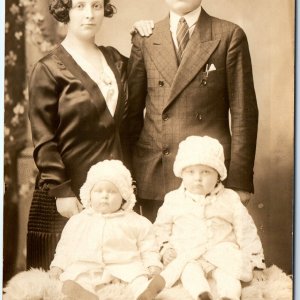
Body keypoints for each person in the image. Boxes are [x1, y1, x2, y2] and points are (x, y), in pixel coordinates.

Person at [27, 0, 151, 270]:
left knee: (115, 281)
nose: (89, 14)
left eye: (96, 5)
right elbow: (43, 140)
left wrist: (142, 38)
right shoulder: (48, 69)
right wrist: (62, 192)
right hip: (67, 195)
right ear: (65, 10)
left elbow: (148, 84)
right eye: (79, 6)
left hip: (114, 196)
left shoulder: (117, 61)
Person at [127, 0, 259, 222]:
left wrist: (240, 181)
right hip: (154, 173)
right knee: (158, 251)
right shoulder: (145, 37)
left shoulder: (229, 34)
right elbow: (130, 116)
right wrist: (128, 175)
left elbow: (243, 114)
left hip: (207, 174)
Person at [138, 136, 265, 300]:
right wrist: (166, 248)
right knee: (190, 273)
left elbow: (246, 232)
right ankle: (202, 295)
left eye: (206, 172)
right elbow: (159, 229)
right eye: (191, 172)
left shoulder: (229, 199)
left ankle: (229, 297)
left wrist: (255, 263)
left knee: (230, 277)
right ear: (182, 173)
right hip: (188, 254)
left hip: (222, 254)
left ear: (218, 175)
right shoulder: (173, 199)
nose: (198, 177)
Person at [49, 160, 162, 300]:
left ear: (123, 197)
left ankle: (145, 292)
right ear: (89, 194)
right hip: (87, 267)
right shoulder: (78, 221)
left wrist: (153, 266)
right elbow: (65, 248)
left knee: (138, 279)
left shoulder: (137, 222)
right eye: (98, 191)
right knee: (76, 280)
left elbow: (148, 247)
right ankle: (83, 295)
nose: (104, 195)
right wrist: (57, 266)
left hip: (124, 268)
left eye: (112, 191)